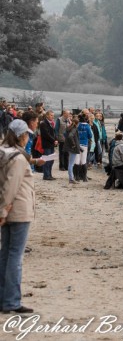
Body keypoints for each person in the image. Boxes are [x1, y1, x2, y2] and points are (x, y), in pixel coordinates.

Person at [0, 119, 36, 314]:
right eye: (27, 134)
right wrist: (3, 210)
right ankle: (12, 301)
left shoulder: (3, 152)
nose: (28, 137)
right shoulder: (18, 158)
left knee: (5, 254)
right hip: (19, 210)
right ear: (21, 135)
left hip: (8, 209)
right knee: (15, 256)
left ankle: (4, 298)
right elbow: (11, 187)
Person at [39, 110, 57, 180]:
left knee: (51, 160)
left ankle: (49, 174)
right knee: (47, 160)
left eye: (53, 115)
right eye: (51, 115)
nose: (53, 117)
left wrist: (56, 139)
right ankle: (46, 175)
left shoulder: (51, 123)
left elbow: (54, 133)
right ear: (47, 115)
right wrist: (53, 140)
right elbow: (46, 134)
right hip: (47, 144)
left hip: (51, 144)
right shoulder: (43, 123)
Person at [63, 115, 81, 184]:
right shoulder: (74, 129)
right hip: (72, 148)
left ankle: (71, 178)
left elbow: (66, 134)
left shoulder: (69, 127)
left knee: (70, 163)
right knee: (71, 164)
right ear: (77, 123)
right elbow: (70, 136)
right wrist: (73, 144)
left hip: (69, 147)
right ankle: (71, 179)